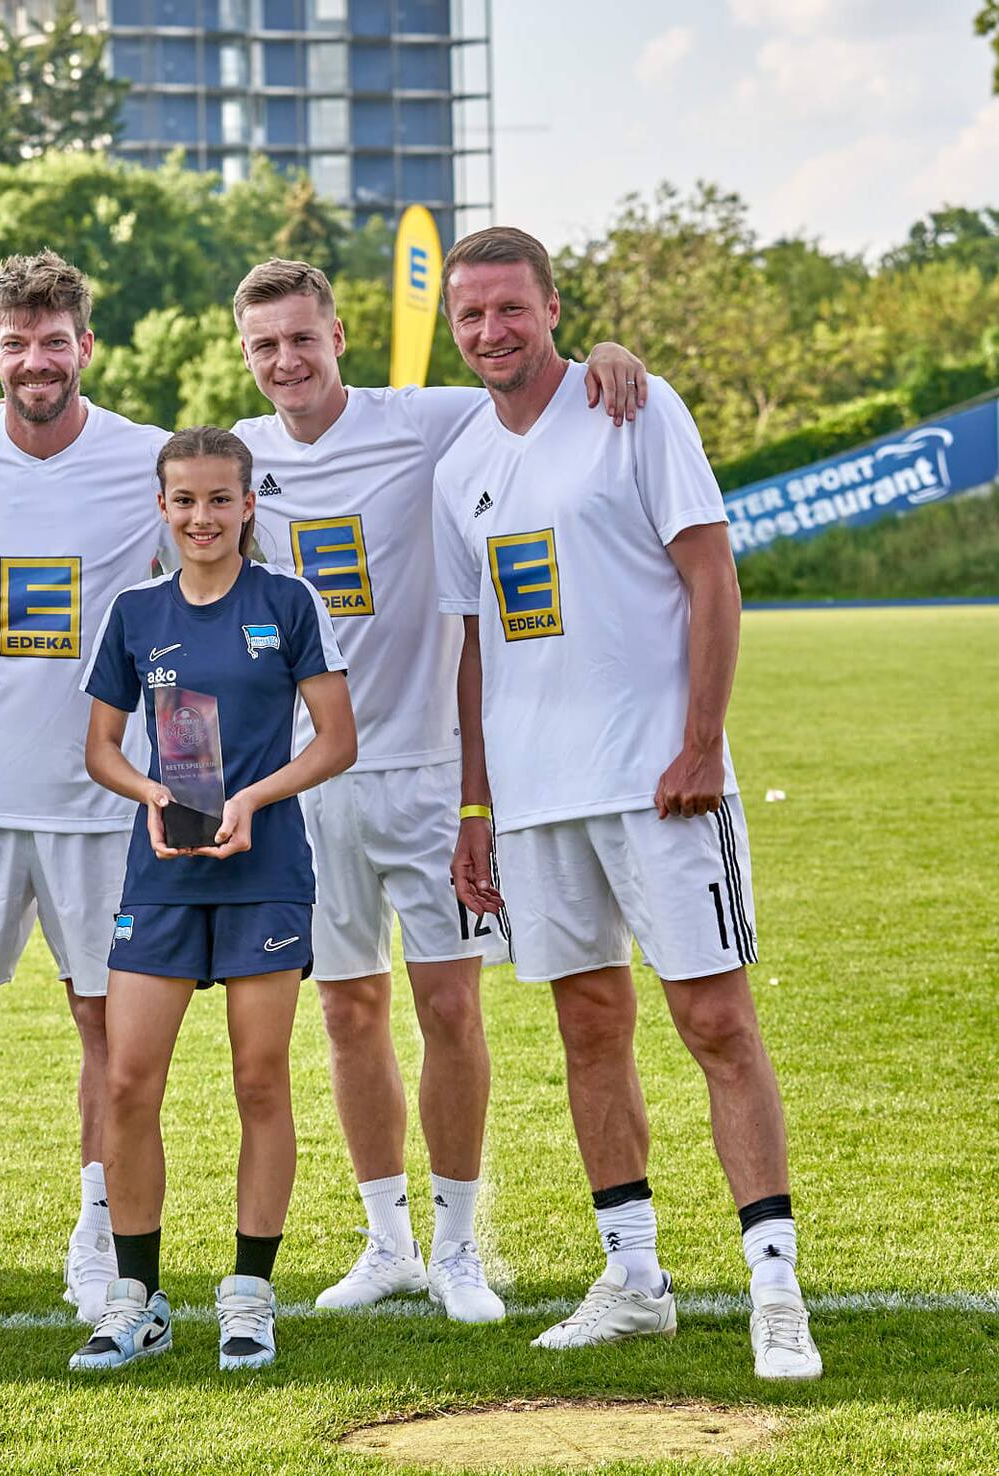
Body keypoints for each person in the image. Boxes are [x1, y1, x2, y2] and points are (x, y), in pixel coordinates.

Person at [431, 226, 820, 1380]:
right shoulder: (460, 469)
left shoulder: (633, 411)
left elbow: (712, 573)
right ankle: (634, 1279)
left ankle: (775, 1287)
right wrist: (475, 809)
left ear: (553, 308)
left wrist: (701, 741)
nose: (492, 332)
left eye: (512, 309)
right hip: (538, 802)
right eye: (472, 316)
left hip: (660, 780)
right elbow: (474, 648)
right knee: (587, 1029)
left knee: (716, 1023)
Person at [228, 258, 648, 1322]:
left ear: (339, 335)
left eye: (302, 338)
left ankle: (461, 1247)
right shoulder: (243, 459)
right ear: (248, 356)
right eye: (266, 345)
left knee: (450, 1004)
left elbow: (535, 387)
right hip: (309, 783)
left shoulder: (425, 421)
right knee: (348, 1009)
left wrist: (603, 352)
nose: (288, 360)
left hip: (429, 771)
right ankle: (388, 1246)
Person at [0, 251, 170, 1333]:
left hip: (105, 796)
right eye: (17, 343)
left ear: (85, 347)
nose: (36, 361)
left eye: (55, 341)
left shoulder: (144, 458)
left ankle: (96, 1233)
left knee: (105, 1021)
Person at [70, 426, 353, 1373]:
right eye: (184, 500)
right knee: (125, 1079)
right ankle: (135, 1299)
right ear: (162, 507)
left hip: (265, 871)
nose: (202, 517)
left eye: (219, 500)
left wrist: (251, 798)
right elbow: (102, 749)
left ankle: (249, 1292)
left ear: (247, 507)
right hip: (162, 873)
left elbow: (335, 740)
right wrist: (156, 795)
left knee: (259, 1079)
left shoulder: (288, 601)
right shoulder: (135, 613)